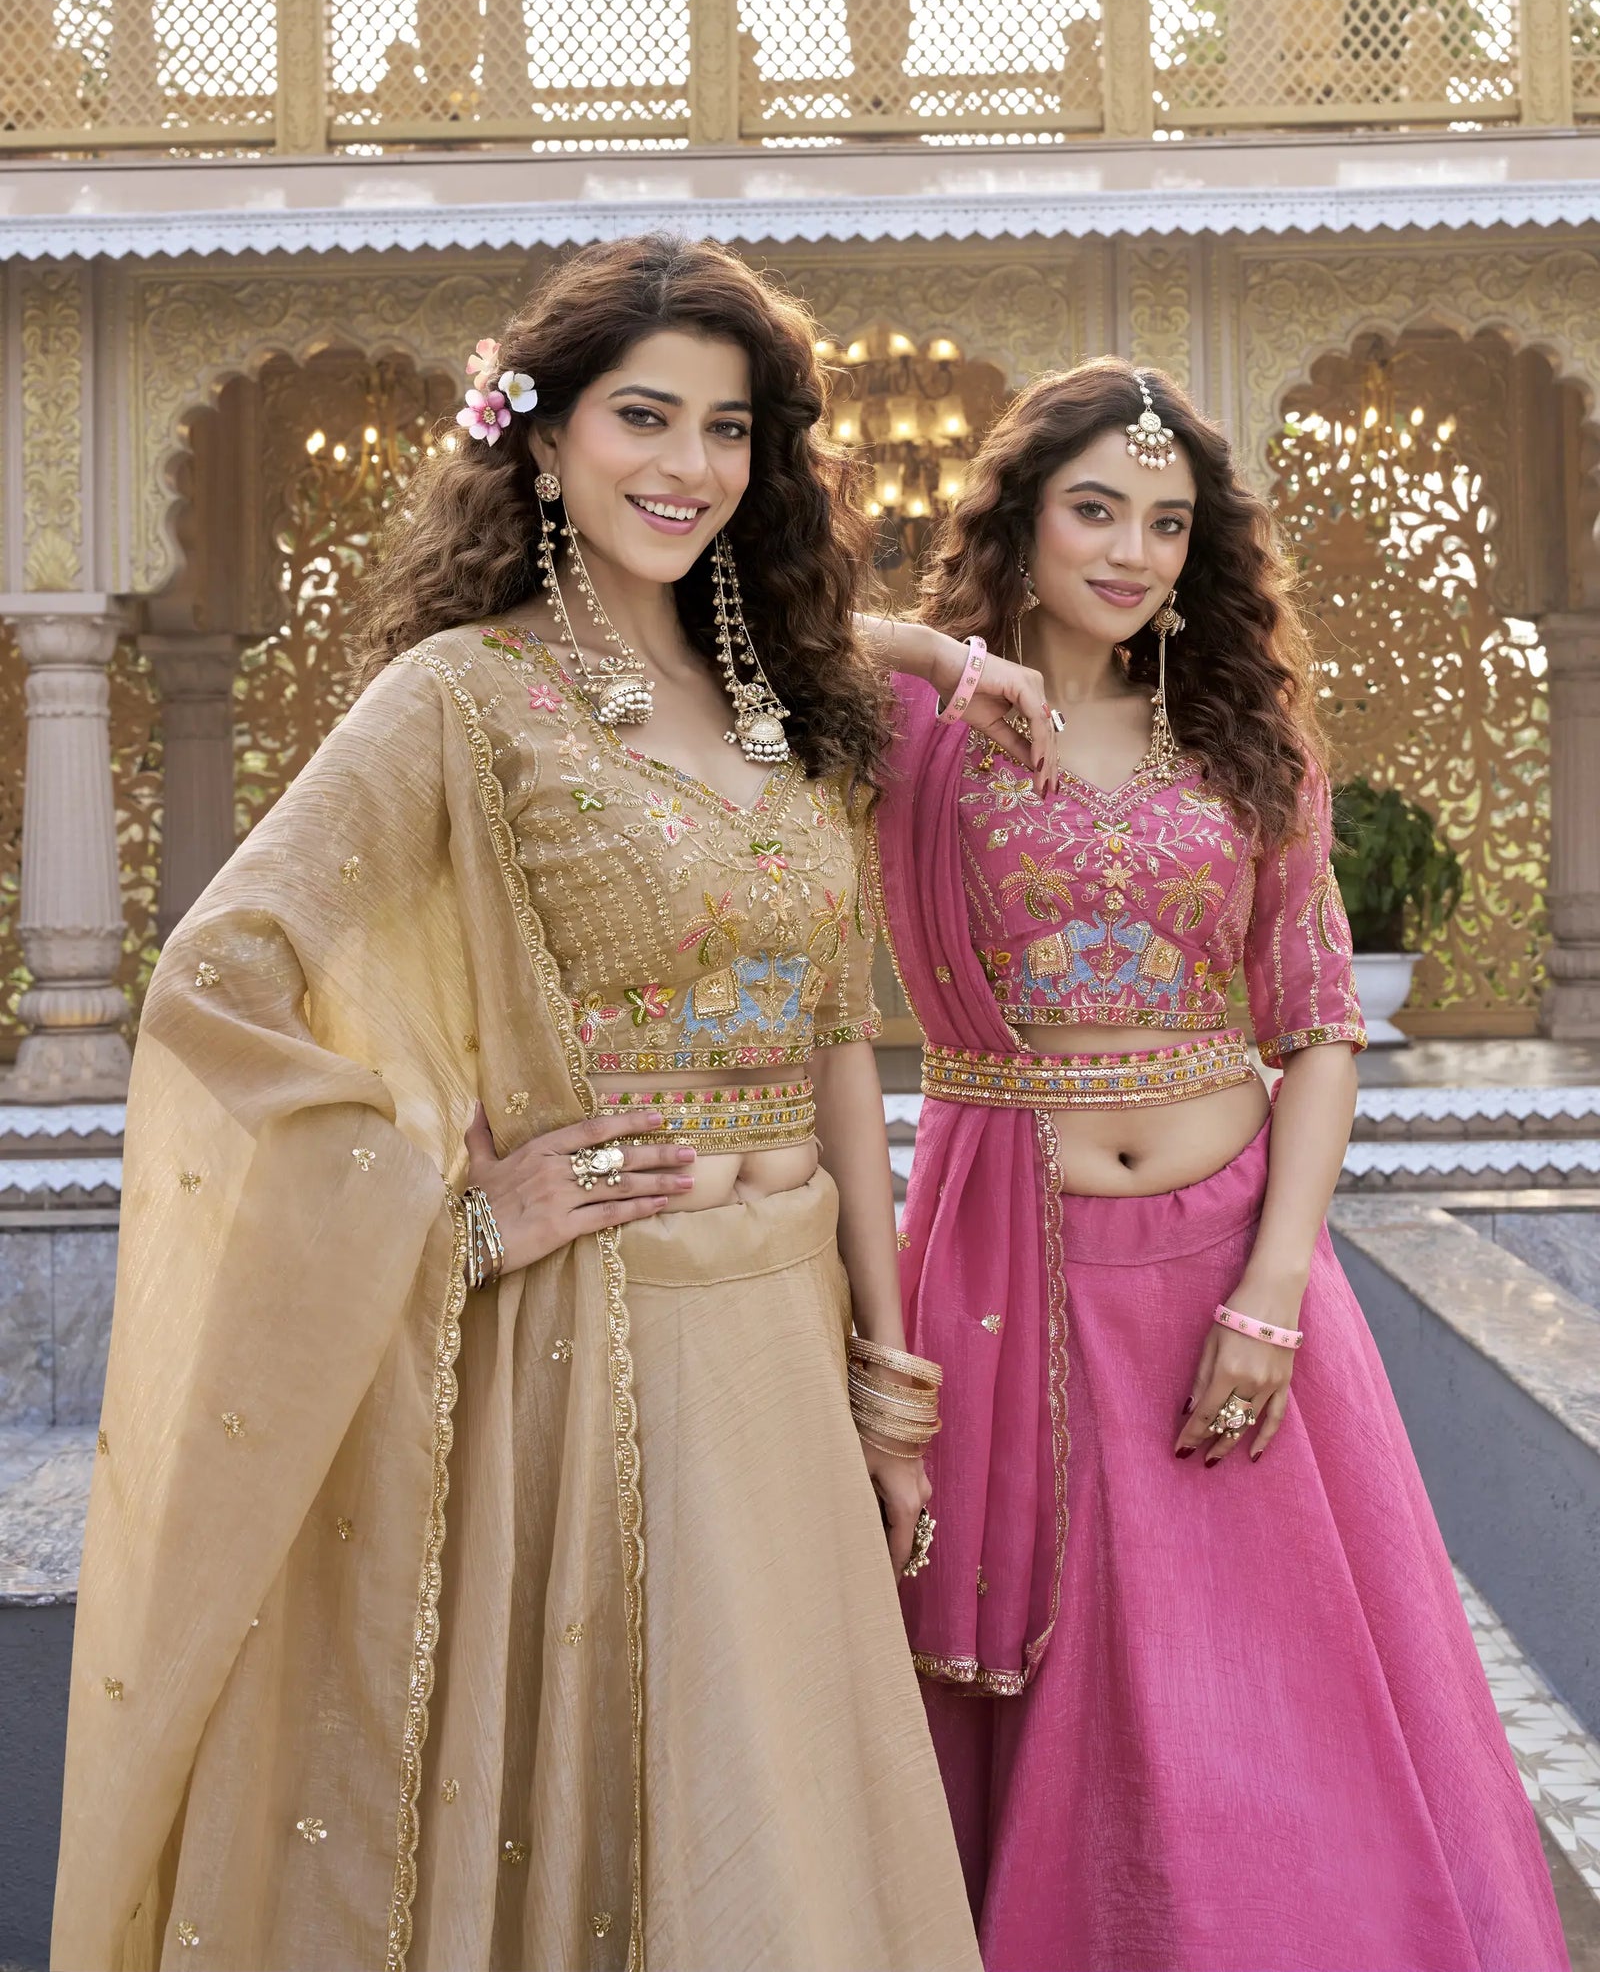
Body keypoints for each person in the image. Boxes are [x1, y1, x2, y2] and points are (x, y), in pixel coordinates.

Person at [53, 237, 981, 1972]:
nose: (688, 467)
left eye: (728, 429)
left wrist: (890, 1374)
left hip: (788, 1334)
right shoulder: (460, 697)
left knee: (792, 1839)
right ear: (541, 438)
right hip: (605, 1346)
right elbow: (217, 978)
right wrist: (454, 1214)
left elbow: (841, 1035)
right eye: (644, 417)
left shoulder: (781, 701)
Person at [868, 360, 1568, 1972]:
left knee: (1271, 1693)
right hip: (1009, 1267)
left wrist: (1270, 1299)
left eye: (1169, 525)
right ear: (1020, 518)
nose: (1132, 554)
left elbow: (1319, 1024)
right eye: (1096, 510)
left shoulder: (1249, 744)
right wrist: (935, 653)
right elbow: (721, 642)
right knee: (1073, 1691)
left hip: (1229, 1265)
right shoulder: (924, 731)